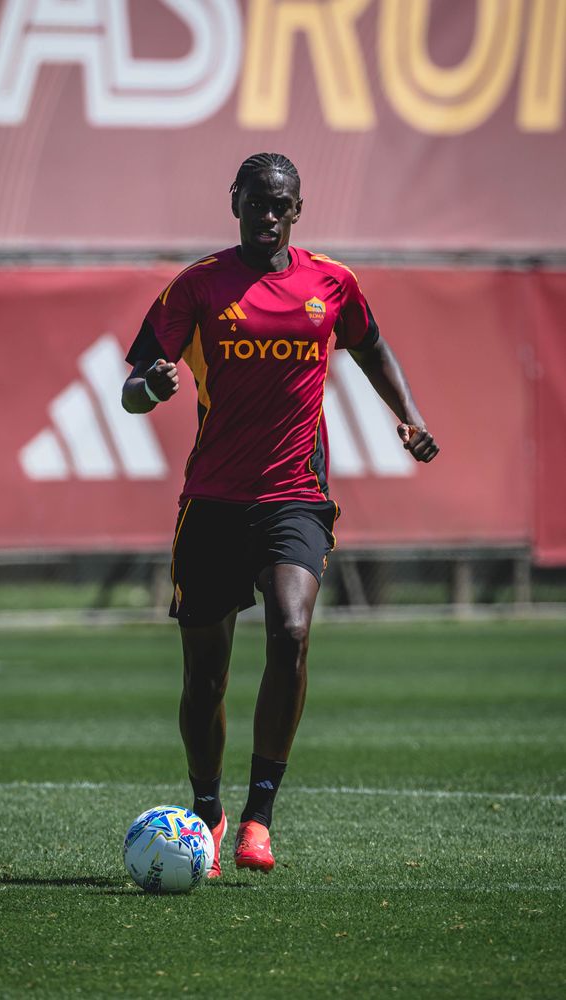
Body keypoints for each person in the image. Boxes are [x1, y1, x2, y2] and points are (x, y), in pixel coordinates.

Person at [122, 152, 438, 877]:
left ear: (299, 209)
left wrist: (409, 418)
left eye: (282, 204)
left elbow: (372, 345)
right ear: (234, 201)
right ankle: (208, 809)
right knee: (206, 677)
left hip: (295, 494)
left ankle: (259, 814)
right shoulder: (197, 286)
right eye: (257, 201)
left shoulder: (332, 284)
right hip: (211, 502)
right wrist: (153, 388)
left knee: (292, 630)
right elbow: (131, 389)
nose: (269, 215)